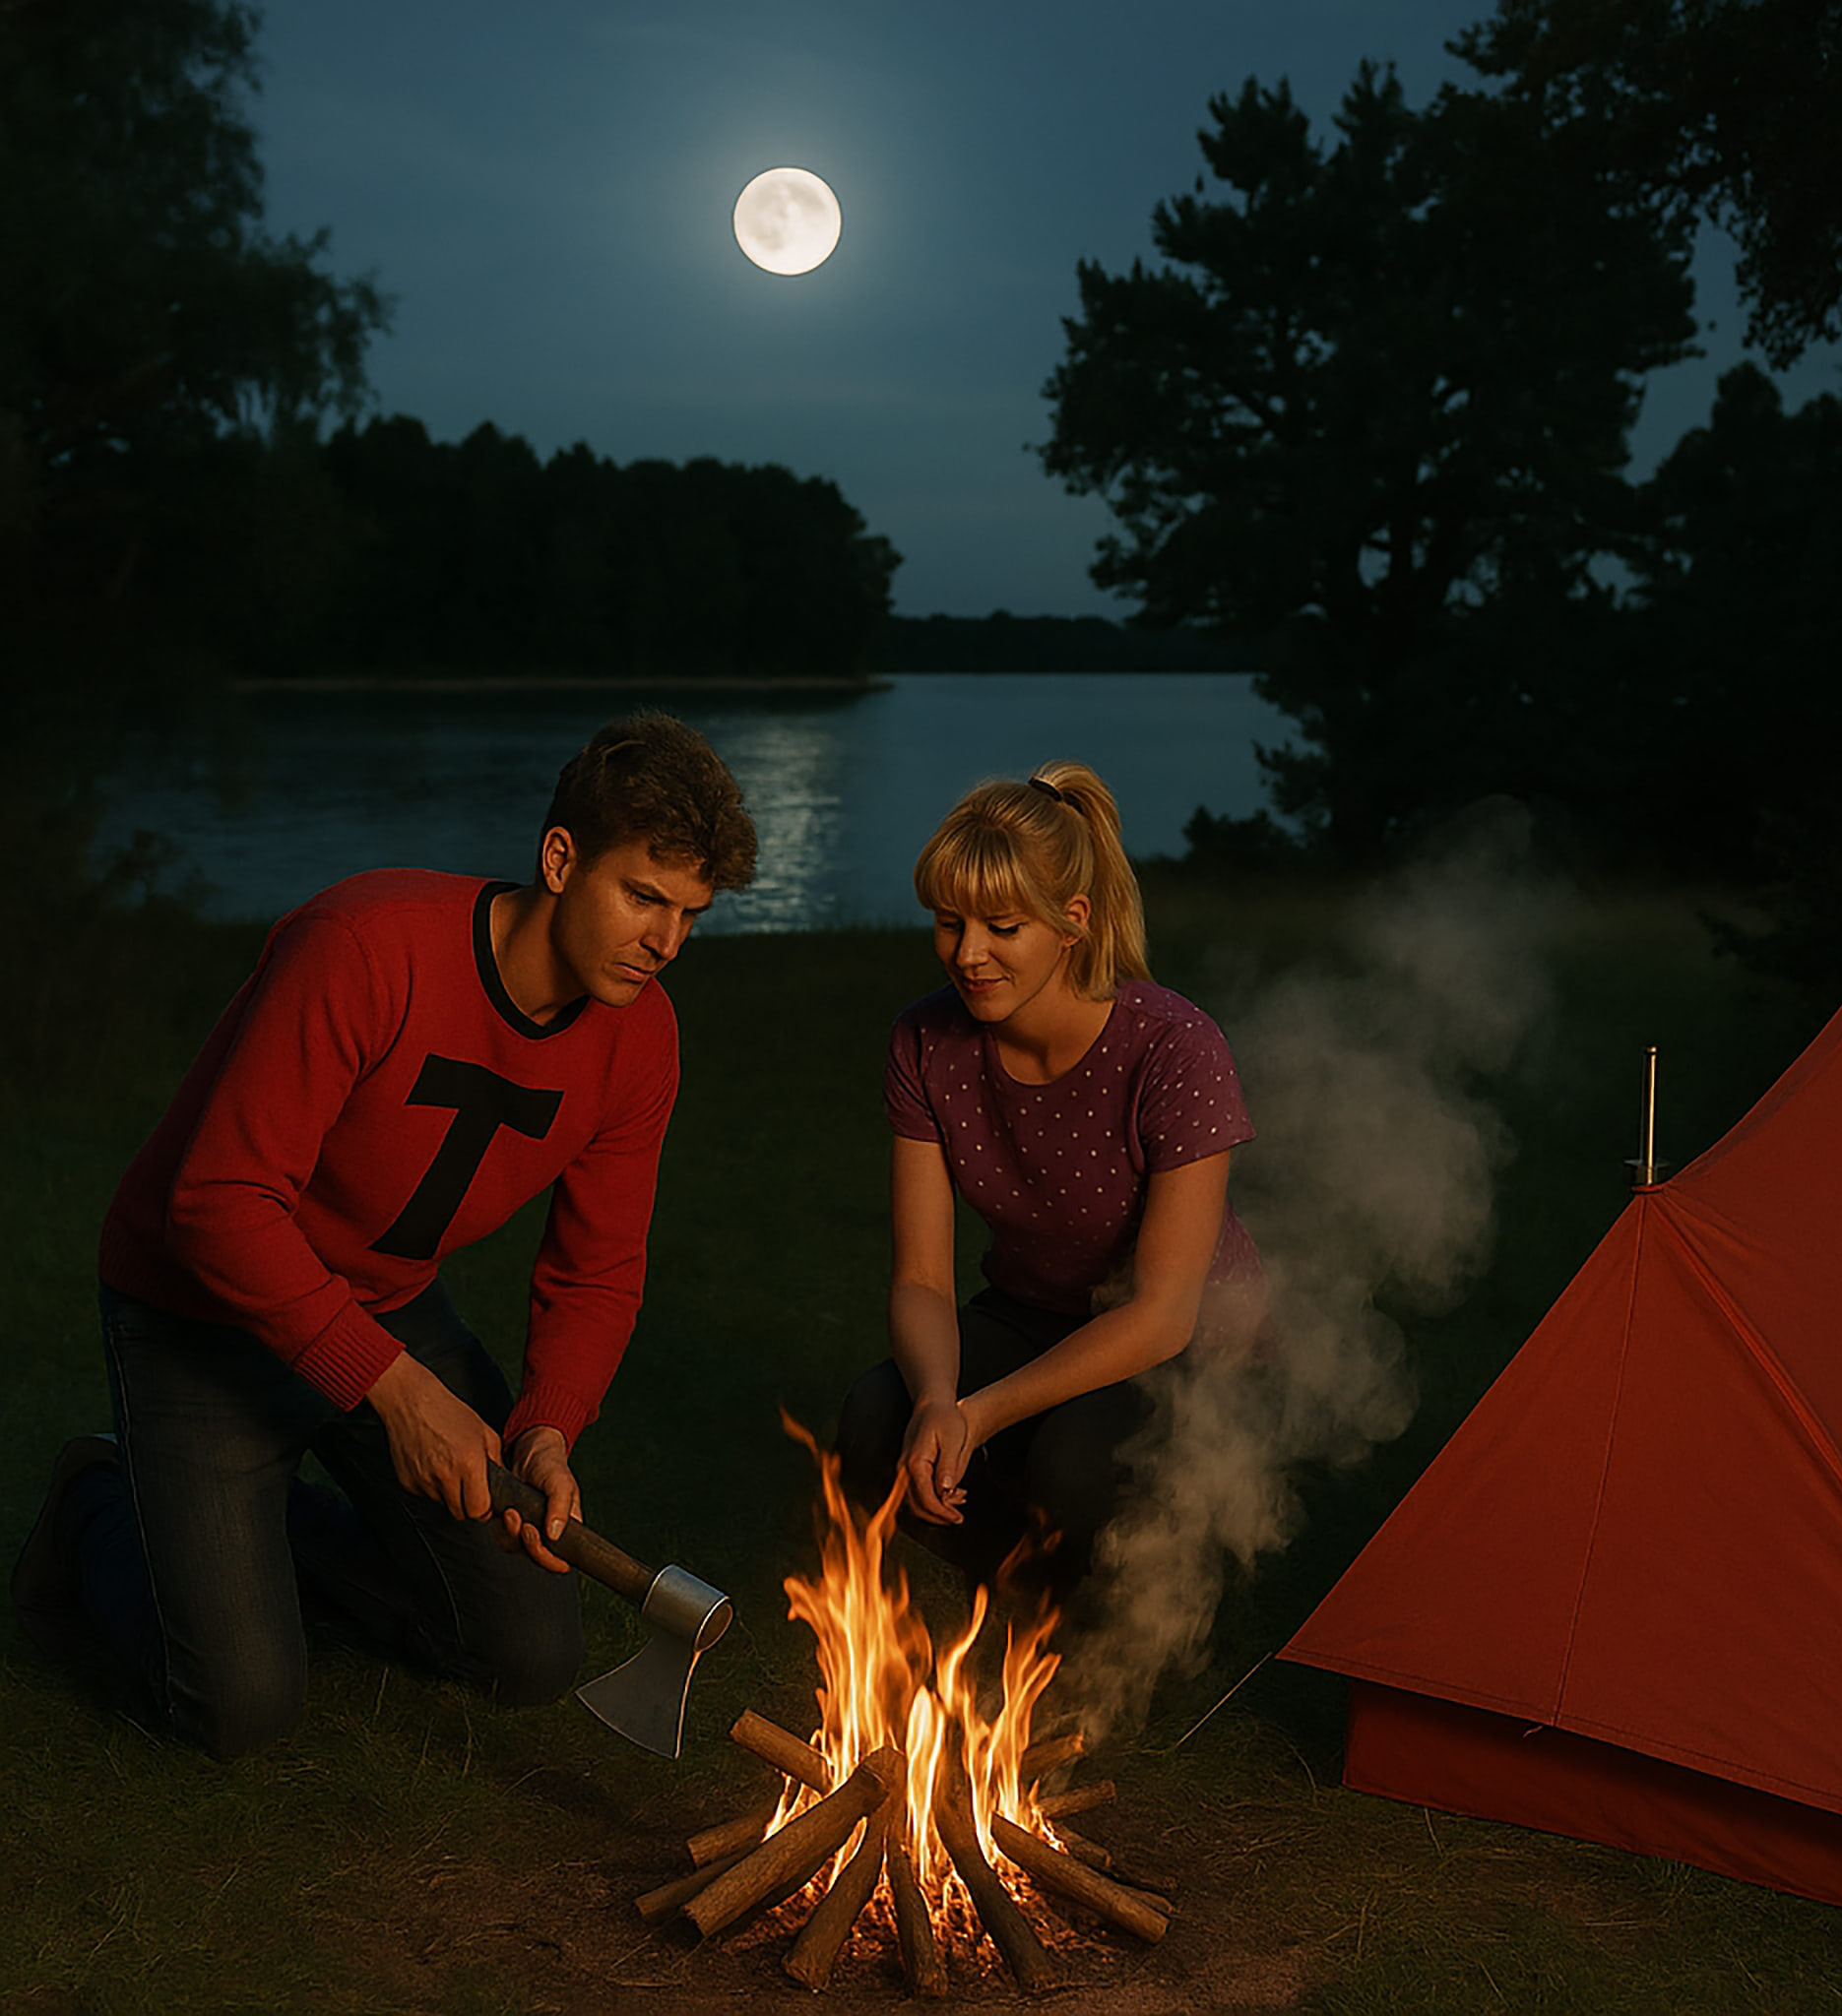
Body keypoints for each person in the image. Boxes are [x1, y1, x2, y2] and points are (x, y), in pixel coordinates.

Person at [10, 711, 757, 1757]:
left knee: (528, 1653)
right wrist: (400, 1392)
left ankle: (260, 1533)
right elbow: (216, 1201)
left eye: (690, 913)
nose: (665, 942)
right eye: (643, 896)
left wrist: (545, 1424)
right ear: (559, 858)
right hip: (199, 1310)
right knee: (235, 1708)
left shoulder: (640, 1037)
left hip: (388, 1298)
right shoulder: (365, 945)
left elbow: (597, 1269)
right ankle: (98, 1499)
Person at [837, 762, 1266, 1606]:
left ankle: (1123, 1611)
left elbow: (1162, 1312)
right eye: (949, 923)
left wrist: (980, 1413)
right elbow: (922, 1277)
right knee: (874, 1423)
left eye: (1002, 926)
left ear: (1072, 922)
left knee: (1068, 1466)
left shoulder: (1175, 1049)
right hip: (1032, 1309)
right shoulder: (926, 1041)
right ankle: (1038, 1603)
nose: (968, 954)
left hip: (1185, 1339)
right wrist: (935, 1401)